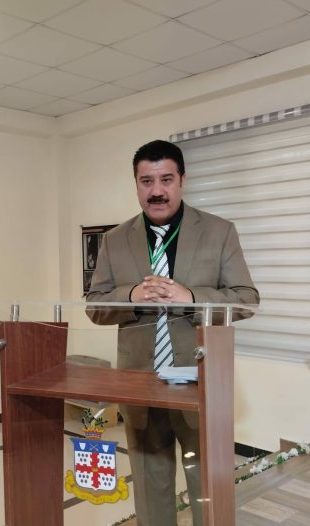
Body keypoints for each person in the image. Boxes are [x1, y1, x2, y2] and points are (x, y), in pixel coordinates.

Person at [86, 139, 259, 526]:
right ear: (136, 183)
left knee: (206, 486)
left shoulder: (219, 231)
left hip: (199, 381)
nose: (157, 191)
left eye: (166, 179)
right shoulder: (114, 239)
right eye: (146, 181)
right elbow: (95, 306)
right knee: (150, 488)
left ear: (182, 180)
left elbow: (246, 299)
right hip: (138, 384)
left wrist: (191, 297)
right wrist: (131, 296)